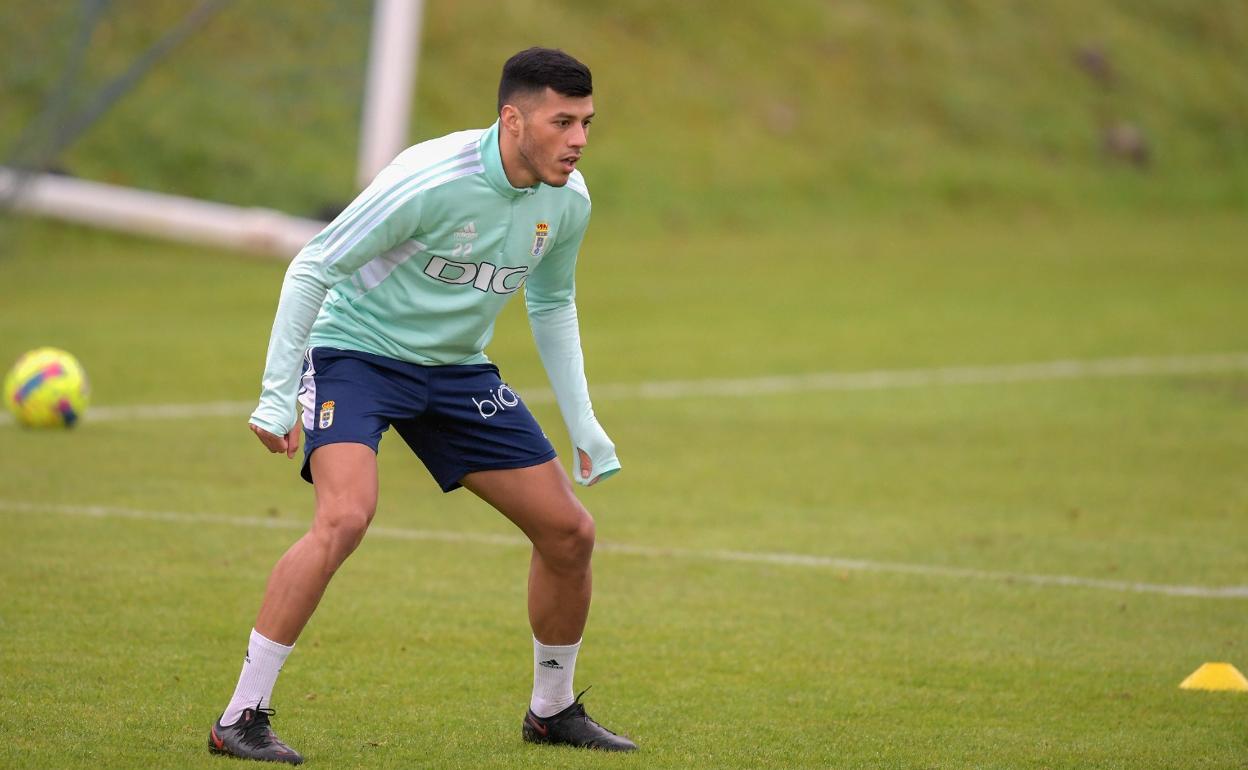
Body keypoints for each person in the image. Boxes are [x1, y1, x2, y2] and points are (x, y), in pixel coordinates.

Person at [207, 47, 637, 764]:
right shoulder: (430, 178)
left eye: (587, 122)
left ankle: (552, 710)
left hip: (456, 371)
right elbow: (314, 264)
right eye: (563, 122)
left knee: (569, 533)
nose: (579, 140)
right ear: (512, 119)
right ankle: (240, 717)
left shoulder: (569, 200)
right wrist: (278, 394)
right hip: (356, 353)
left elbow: (553, 301)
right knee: (345, 515)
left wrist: (583, 421)